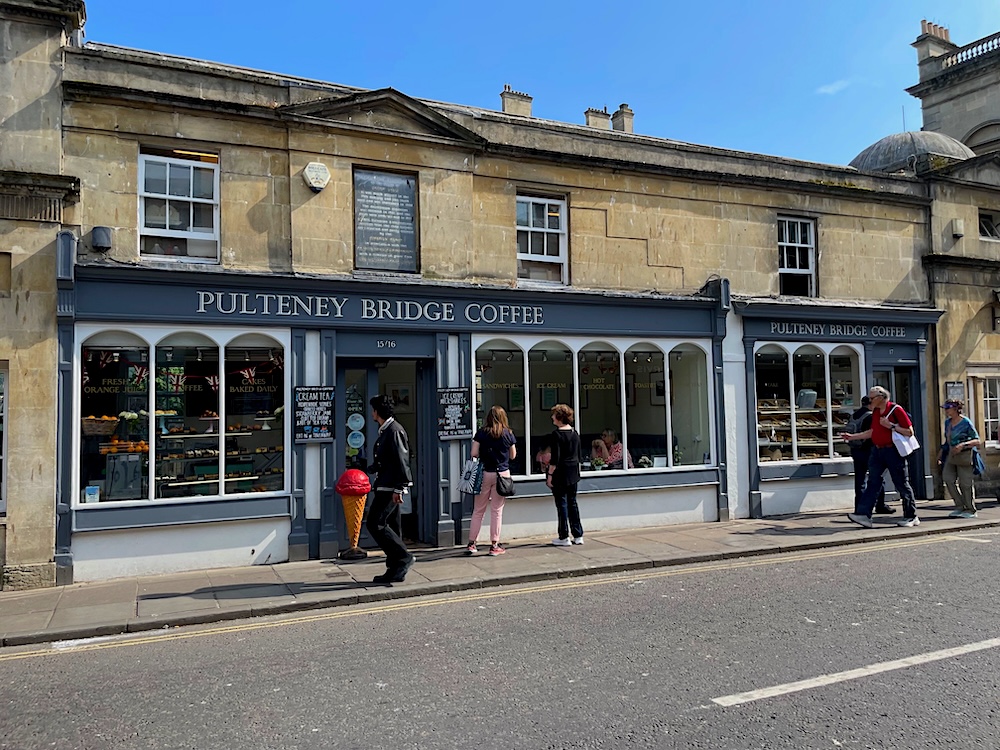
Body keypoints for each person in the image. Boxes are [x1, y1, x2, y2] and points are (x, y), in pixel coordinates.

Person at [843, 386, 919, 529]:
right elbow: (872, 432)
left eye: (872, 398)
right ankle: (864, 515)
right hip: (877, 451)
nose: (870, 401)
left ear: (881, 397)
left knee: (901, 483)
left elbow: (909, 432)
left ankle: (911, 516)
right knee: (873, 482)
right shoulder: (876, 412)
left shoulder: (896, 410)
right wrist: (853, 437)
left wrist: (890, 426)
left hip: (893, 451)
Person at [367, 394, 414, 584]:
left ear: (377, 411)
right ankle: (395, 568)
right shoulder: (386, 430)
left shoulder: (394, 430)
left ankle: (403, 557)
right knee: (393, 526)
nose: (371, 413)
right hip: (386, 483)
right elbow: (386, 460)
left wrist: (400, 488)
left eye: (373, 409)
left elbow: (402, 461)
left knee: (375, 523)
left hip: (390, 487)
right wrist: (368, 468)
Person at [467, 405, 517, 556]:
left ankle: (471, 544)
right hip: (502, 474)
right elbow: (513, 456)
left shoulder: (481, 433)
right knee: (497, 511)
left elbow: (474, 453)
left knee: (478, 510)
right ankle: (494, 545)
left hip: (484, 473)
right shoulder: (508, 434)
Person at [546, 403, 583, 546]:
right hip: (573, 471)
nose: (552, 417)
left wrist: (550, 476)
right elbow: (579, 455)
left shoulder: (556, 435)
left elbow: (555, 459)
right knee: (572, 503)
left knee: (561, 504)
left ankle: (563, 536)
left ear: (559, 418)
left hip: (560, 472)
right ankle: (578, 535)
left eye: (554, 415)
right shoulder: (575, 433)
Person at [847, 396, 892, 515]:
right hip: (869, 450)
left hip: (856, 450)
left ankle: (858, 507)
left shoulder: (854, 415)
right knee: (877, 478)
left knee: (860, 480)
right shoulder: (871, 416)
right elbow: (873, 434)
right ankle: (880, 505)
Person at [939, 399, 980, 519]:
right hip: (951, 455)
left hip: (964, 456)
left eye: (948, 408)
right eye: (945, 408)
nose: (946, 410)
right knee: (948, 479)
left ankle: (971, 509)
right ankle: (959, 506)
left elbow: (977, 440)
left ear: (956, 409)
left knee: (965, 483)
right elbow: (947, 441)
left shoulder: (966, 422)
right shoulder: (947, 423)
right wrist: (941, 453)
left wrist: (963, 445)